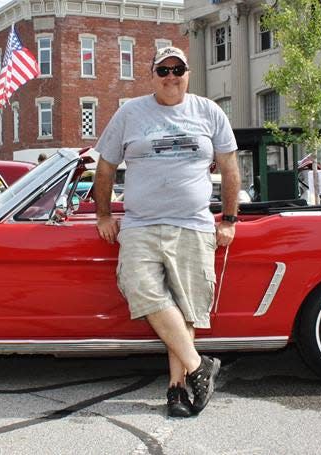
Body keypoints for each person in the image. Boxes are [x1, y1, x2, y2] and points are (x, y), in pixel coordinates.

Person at [93, 46, 239, 418]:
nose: (171, 76)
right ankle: (199, 365)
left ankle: (177, 389)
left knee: (185, 309)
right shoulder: (130, 113)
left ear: (188, 73)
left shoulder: (209, 111)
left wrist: (229, 219)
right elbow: (106, 168)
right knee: (139, 287)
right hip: (140, 223)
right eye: (163, 70)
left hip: (193, 223)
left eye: (178, 69)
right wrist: (104, 215)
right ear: (152, 74)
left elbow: (230, 167)